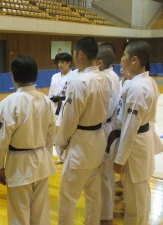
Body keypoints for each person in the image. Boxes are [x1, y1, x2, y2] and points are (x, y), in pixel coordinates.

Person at [0, 55, 57, 225]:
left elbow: (2, 138)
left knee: (19, 213)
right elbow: (51, 133)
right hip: (41, 160)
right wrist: (45, 154)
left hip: (19, 164)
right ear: (36, 74)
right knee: (40, 212)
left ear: (13, 75)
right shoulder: (46, 100)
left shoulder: (9, 103)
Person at [55, 36, 110, 225]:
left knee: (67, 199)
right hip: (98, 140)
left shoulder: (79, 82)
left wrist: (60, 142)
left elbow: (70, 119)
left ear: (80, 54)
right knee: (94, 196)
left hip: (81, 145)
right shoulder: (105, 77)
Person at [114, 40, 160, 225]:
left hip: (136, 146)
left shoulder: (138, 88)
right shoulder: (146, 81)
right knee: (140, 195)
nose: (121, 59)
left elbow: (131, 127)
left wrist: (120, 159)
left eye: (124, 55)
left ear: (134, 59)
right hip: (141, 141)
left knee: (135, 200)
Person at [96, 44, 120, 225]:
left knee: (104, 174)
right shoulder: (112, 75)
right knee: (106, 174)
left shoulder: (105, 78)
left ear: (100, 62)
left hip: (104, 128)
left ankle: (105, 217)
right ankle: (104, 212)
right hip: (109, 127)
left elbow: (104, 109)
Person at [48, 52, 73, 164]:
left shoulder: (73, 76)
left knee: (66, 131)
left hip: (66, 105)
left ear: (69, 63)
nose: (60, 64)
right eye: (58, 62)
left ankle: (67, 154)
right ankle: (59, 156)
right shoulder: (54, 76)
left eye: (62, 62)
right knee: (56, 131)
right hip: (54, 106)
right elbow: (51, 92)